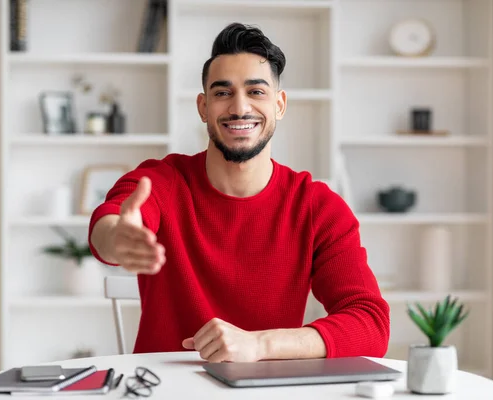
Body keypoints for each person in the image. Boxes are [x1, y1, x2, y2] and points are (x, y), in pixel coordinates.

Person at [89, 22, 390, 363]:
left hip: (267, 389)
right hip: (162, 388)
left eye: (256, 91)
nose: (239, 107)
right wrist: (117, 239)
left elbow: (370, 324)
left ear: (280, 104)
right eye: (222, 93)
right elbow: (109, 223)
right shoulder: (161, 181)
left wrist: (261, 345)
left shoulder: (318, 207)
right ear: (203, 107)